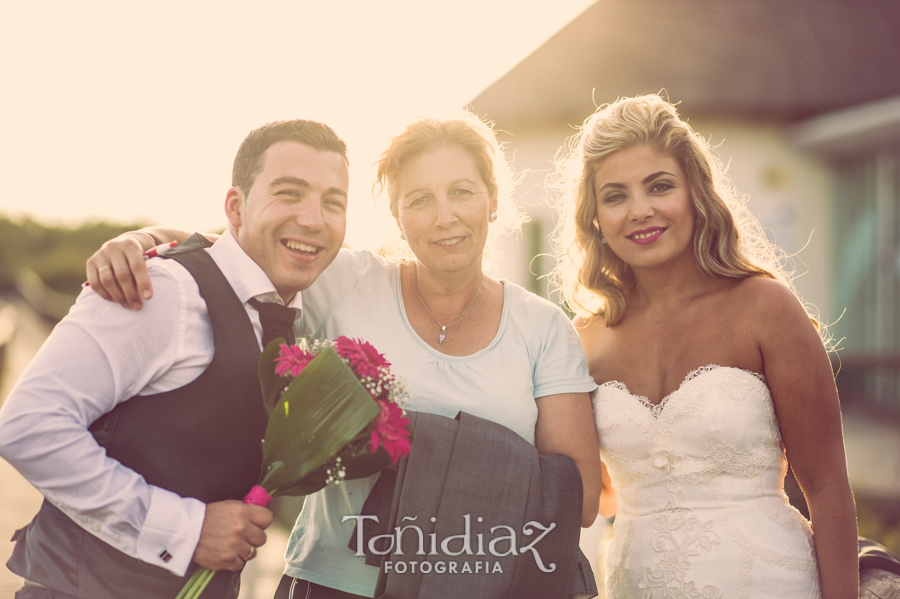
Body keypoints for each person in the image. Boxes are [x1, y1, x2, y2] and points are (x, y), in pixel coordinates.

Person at [86, 111, 604, 598]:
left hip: (474, 583)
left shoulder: (543, 328)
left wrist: (419, 447)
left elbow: (576, 499)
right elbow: (241, 249)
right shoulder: (344, 283)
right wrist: (143, 240)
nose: (444, 217)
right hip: (329, 584)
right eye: (419, 199)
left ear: (492, 200)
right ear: (398, 218)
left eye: (462, 192)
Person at [0, 119, 351, 599]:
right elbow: (29, 424)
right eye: (289, 193)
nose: (314, 218)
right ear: (236, 207)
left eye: (333, 201)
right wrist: (186, 531)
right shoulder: (162, 290)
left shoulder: (300, 310)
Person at [552, 94, 858, 598]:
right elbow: (587, 497)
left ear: (695, 192)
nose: (640, 211)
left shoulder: (765, 308)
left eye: (660, 186)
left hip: (771, 583)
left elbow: (826, 488)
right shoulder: (585, 340)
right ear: (595, 218)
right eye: (615, 195)